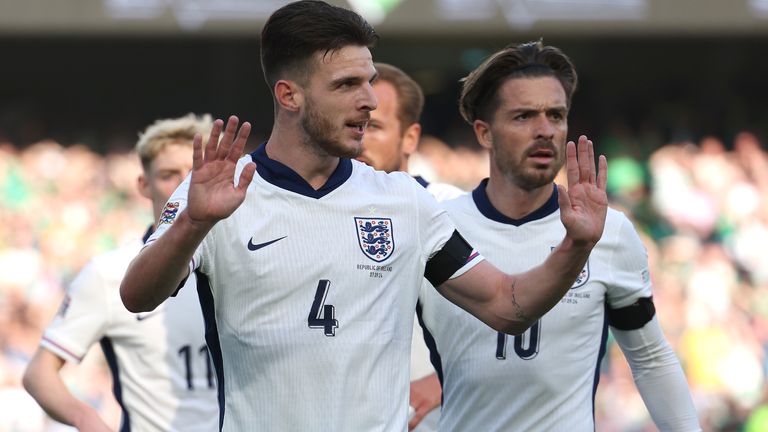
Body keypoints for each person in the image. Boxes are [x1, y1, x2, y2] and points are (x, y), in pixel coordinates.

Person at [119, 1, 608, 430]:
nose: (369, 102)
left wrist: (576, 246)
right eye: (347, 84)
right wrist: (193, 224)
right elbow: (137, 295)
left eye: (370, 82)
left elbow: (507, 305)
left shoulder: (404, 201)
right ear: (289, 95)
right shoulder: (218, 193)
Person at [417, 41, 702, 431]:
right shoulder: (437, 228)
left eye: (556, 115)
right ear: (484, 133)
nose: (545, 130)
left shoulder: (610, 232)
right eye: (523, 117)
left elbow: (650, 358)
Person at [23, 114, 219, 432]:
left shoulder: (243, 261)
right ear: (144, 185)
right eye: (170, 175)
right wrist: (85, 418)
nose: (186, 185)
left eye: (195, 172)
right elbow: (39, 372)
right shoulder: (109, 273)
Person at [355, 62, 460, 431]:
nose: (361, 139)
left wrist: (446, 379)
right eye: (356, 125)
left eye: (376, 127)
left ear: (410, 137)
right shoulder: (321, 212)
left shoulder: (453, 210)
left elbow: (511, 312)